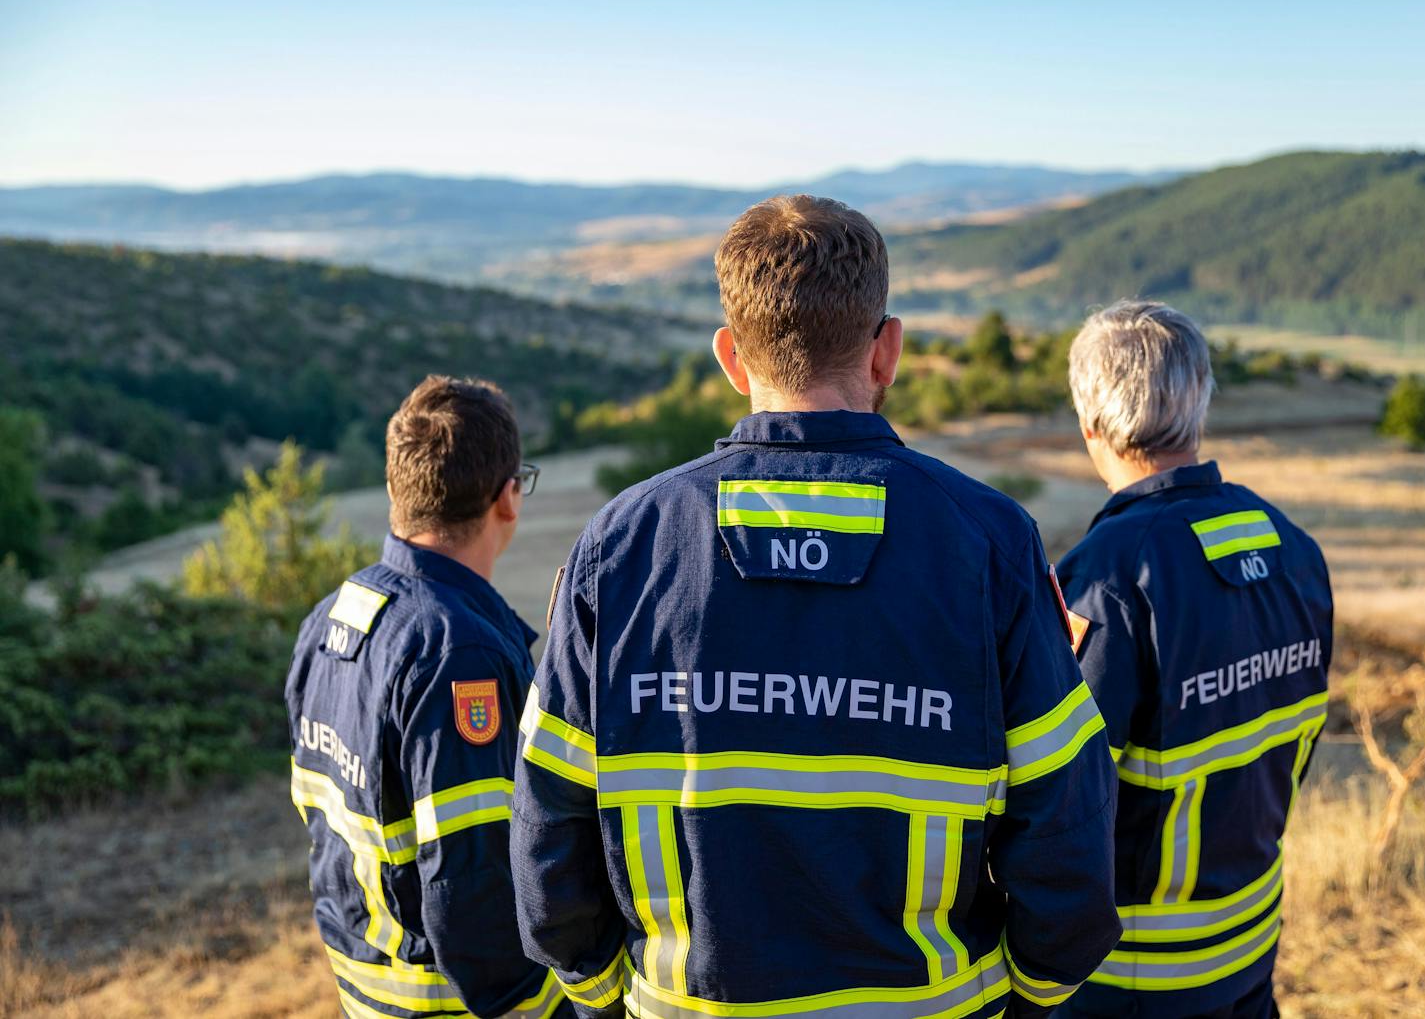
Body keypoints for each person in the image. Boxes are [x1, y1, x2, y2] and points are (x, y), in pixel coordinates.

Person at [509, 195, 1121, 1019]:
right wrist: (1034, 994)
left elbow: (548, 834)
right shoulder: (989, 543)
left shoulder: (618, 550)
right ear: (886, 352)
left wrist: (603, 994)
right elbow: (1068, 833)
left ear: (731, 356)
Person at [1052, 302, 1333, 1018]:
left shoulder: (1104, 577)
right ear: (1202, 394)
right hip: (1250, 945)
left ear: (1089, 423)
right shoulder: (1292, 547)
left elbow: (1064, 798)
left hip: (1133, 978)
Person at [286, 376, 567, 1019]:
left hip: (364, 989)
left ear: (396, 490)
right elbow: (472, 886)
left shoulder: (331, 619)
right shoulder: (459, 654)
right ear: (509, 497)